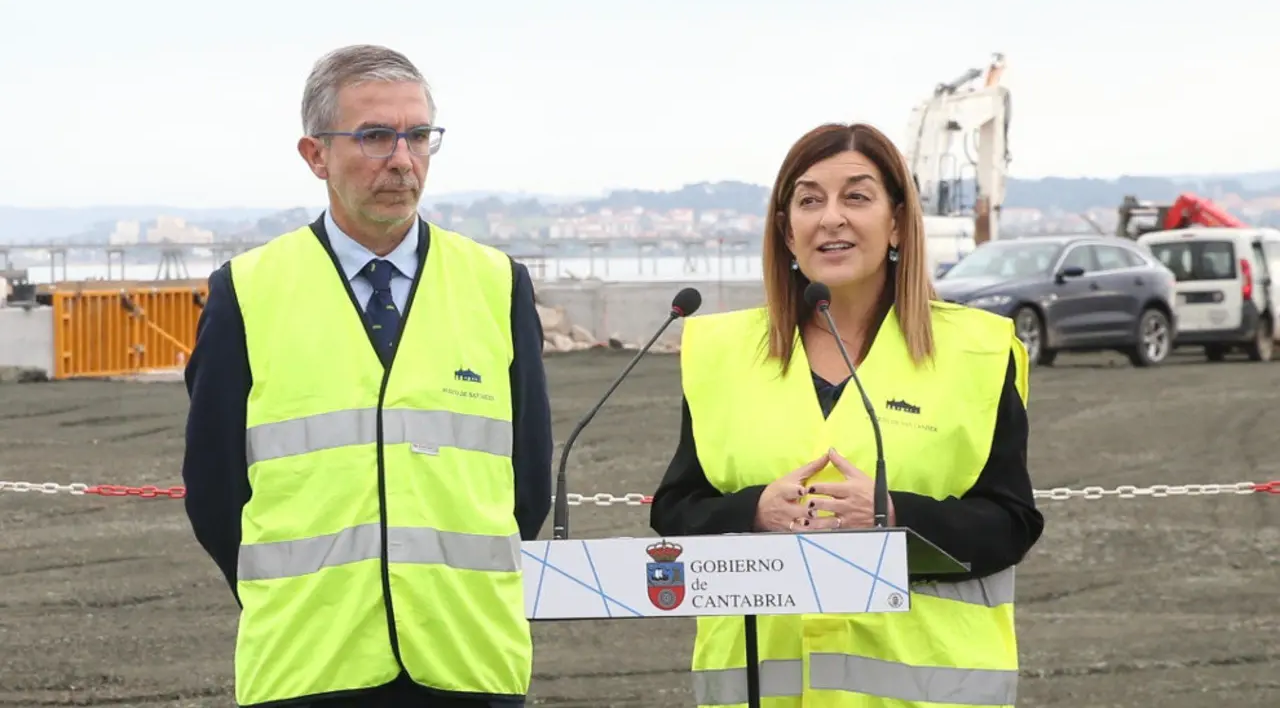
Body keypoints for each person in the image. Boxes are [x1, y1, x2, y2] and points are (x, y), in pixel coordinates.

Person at [181, 44, 552, 708]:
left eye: (419, 136)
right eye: (376, 136)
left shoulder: (497, 285)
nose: (403, 159)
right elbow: (213, 489)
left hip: (467, 659)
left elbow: (527, 482)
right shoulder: (249, 291)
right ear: (315, 155)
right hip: (308, 661)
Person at [649, 122, 1045, 707]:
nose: (831, 218)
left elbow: (1011, 523)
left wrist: (894, 515)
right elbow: (676, 509)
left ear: (897, 222)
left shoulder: (976, 352)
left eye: (856, 197)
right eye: (810, 201)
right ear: (787, 231)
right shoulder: (722, 354)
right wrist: (754, 512)